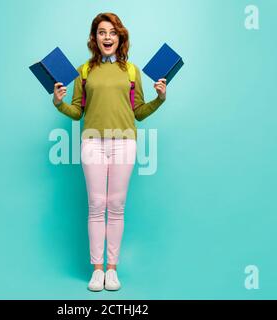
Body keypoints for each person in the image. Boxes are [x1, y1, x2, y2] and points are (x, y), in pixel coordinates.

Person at [52, 12, 167, 291]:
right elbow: (77, 112)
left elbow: (138, 112)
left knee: (115, 207)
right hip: (91, 143)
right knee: (96, 206)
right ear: (94, 38)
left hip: (124, 143)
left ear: (120, 37)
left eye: (113, 32)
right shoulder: (84, 71)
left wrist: (159, 99)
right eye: (102, 32)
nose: (107, 37)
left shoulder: (131, 71)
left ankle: (112, 271)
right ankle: (97, 270)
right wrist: (58, 103)